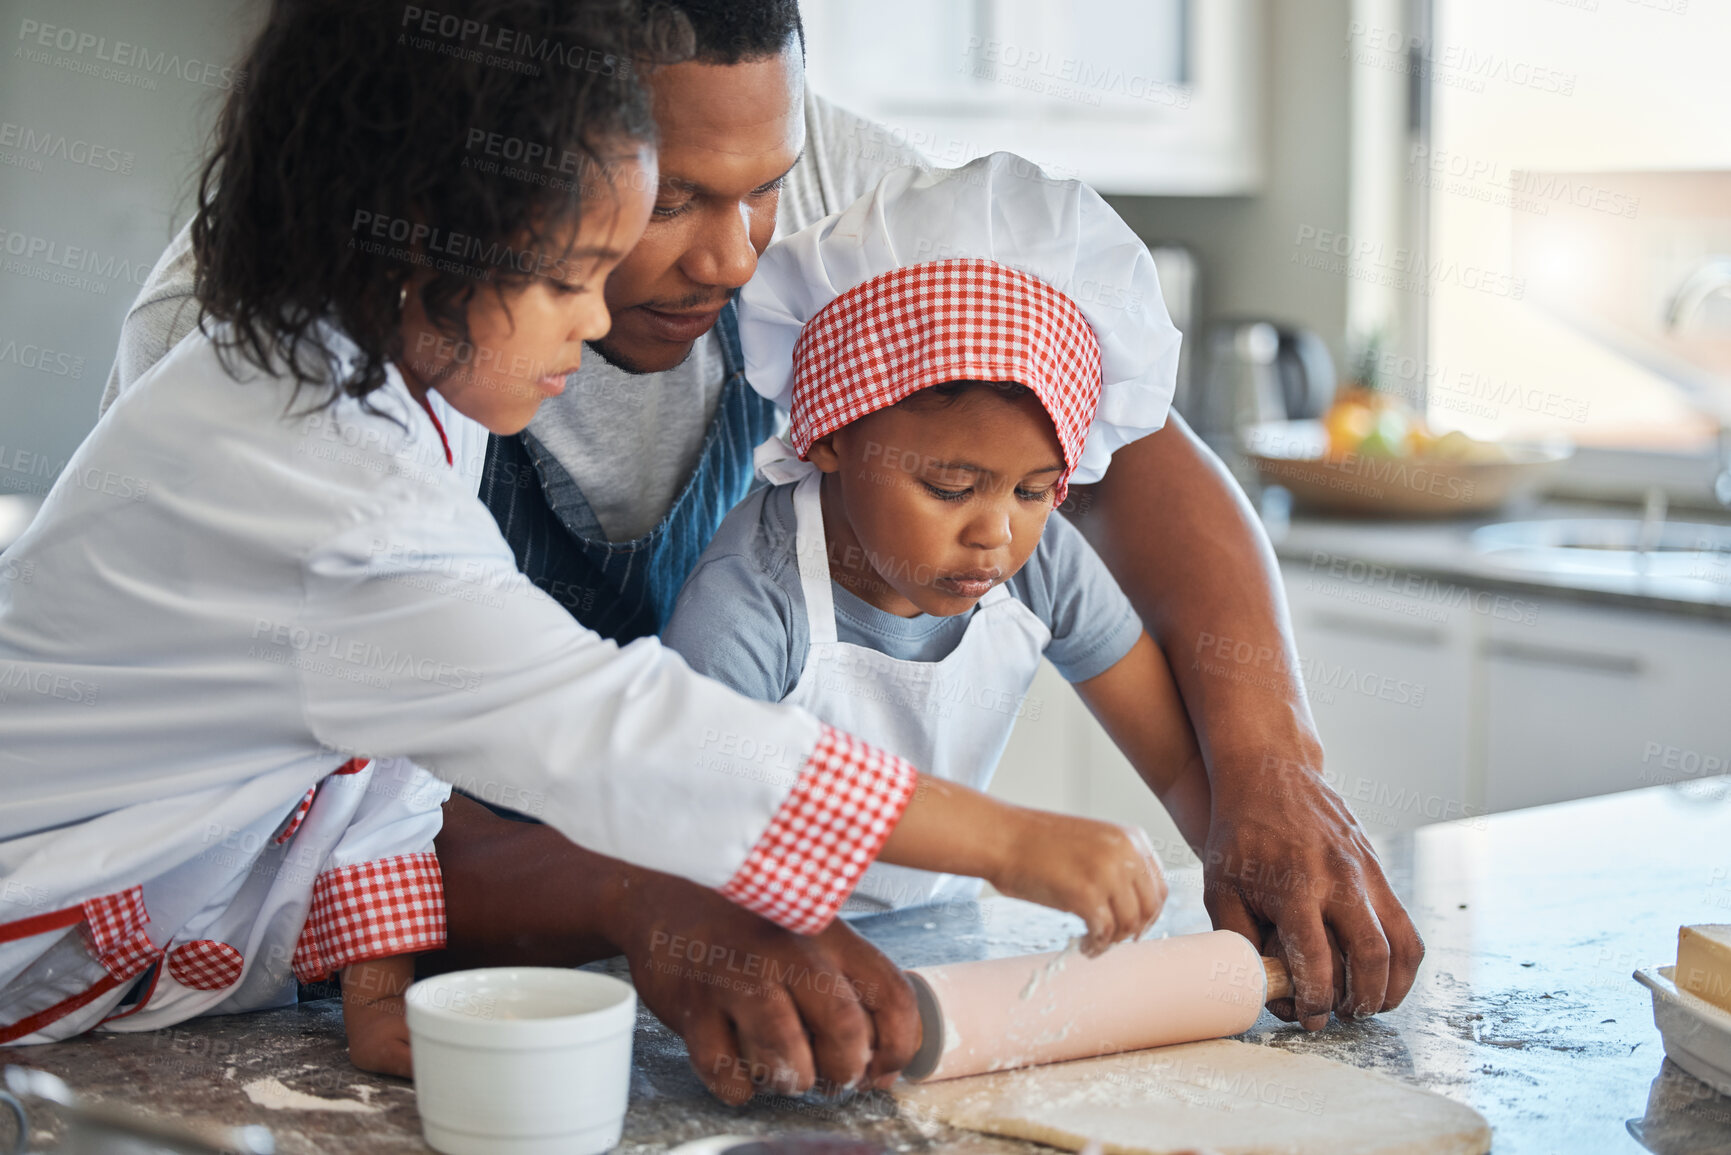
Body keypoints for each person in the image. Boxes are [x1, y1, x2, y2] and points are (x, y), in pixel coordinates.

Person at [100, 0, 1423, 1103]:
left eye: (766, 192)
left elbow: (1118, 450)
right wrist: (658, 897)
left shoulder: (828, 178)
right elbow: (330, 792)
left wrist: (1262, 770)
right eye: (668, 197)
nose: (735, 255)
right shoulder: (269, 340)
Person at [664, 154, 1219, 917]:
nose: (995, 532)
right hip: (759, 949)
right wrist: (1012, 842)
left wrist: (1238, 858)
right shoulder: (748, 605)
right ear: (828, 435)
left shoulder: (1041, 560)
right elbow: (695, 822)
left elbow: (1180, 760)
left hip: (943, 942)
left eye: (1034, 488)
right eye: (949, 488)